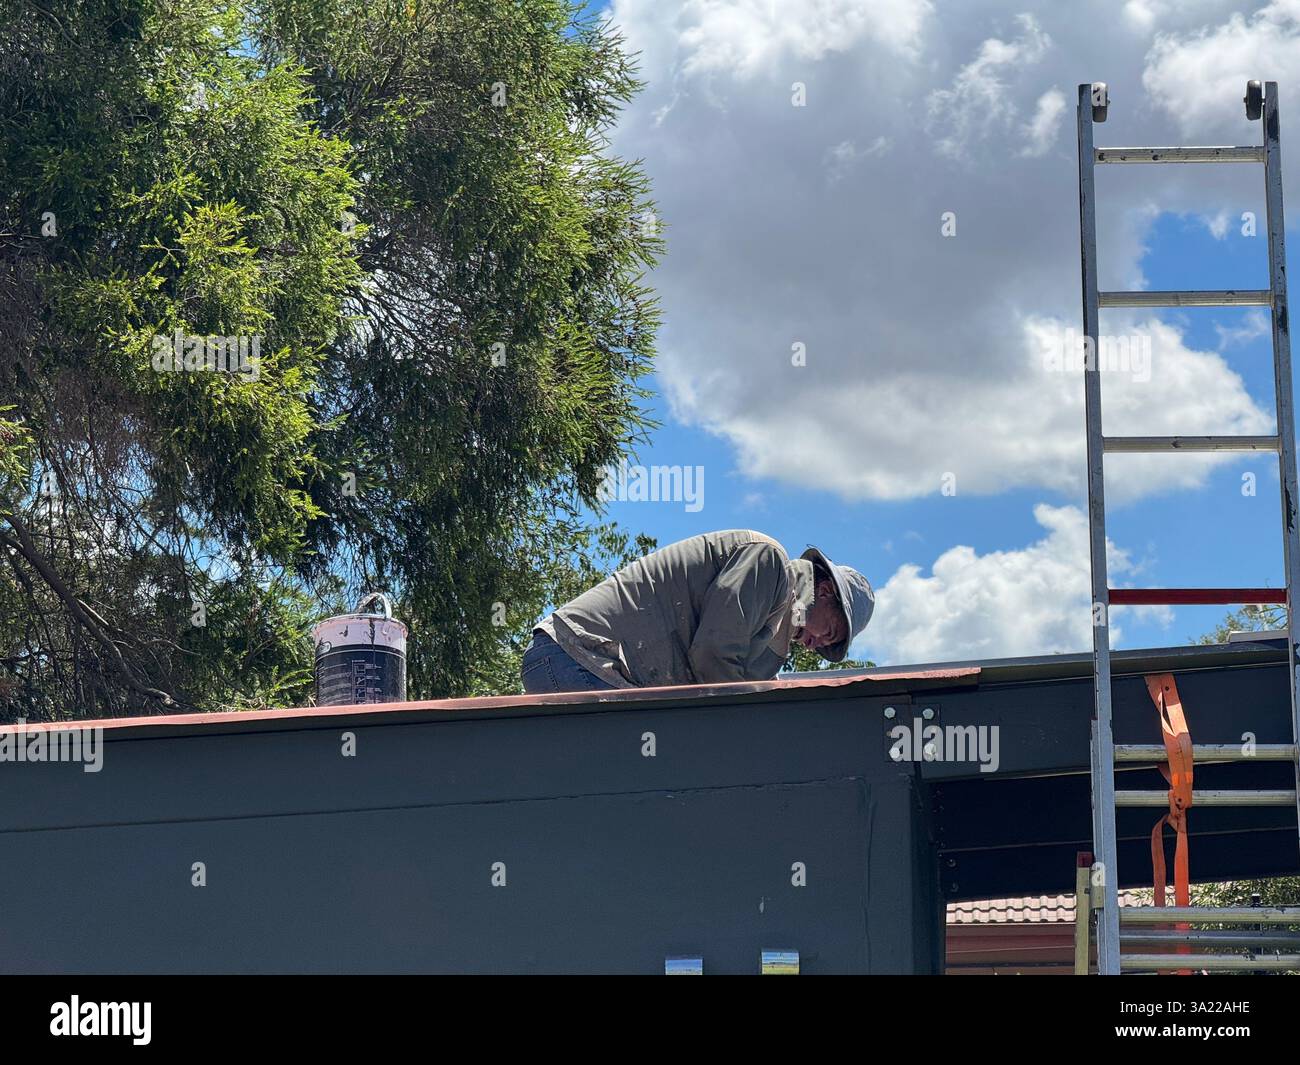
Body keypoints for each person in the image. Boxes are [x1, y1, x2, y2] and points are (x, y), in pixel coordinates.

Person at [521, 529, 874, 693]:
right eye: (828, 633)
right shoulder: (768, 562)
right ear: (825, 591)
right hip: (578, 660)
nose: (815, 645)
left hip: (574, 664)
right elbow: (713, 654)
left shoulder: (773, 620)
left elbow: (737, 676)